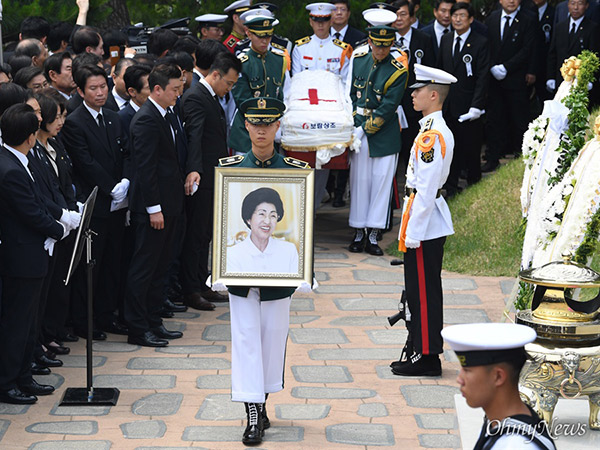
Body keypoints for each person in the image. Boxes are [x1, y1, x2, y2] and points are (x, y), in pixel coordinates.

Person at [217, 97, 309, 446]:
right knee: (245, 341)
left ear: (277, 127)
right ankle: (252, 412)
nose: (260, 130)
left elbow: (302, 230)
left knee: (272, 341)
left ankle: (263, 398)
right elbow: (222, 223)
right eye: (255, 123)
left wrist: (303, 270)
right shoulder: (231, 168)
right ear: (245, 126)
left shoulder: (295, 171)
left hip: (278, 279)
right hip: (241, 276)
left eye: (267, 124)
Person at [392, 64, 456, 377]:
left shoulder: (433, 135)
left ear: (433, 95)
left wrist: (414, 231)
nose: (413, 95)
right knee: (418, 290)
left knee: (425, 290)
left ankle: (428, 355)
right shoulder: (429, 128)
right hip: (421, 216)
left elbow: (427, 189)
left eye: (418, 90)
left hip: (425, 222)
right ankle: (420, 348)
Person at [0, 104, 66, 404]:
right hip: (21, 257)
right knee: (17, 323)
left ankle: (24, 377)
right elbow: (30, 212)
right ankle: (8, 382)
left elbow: (38, 199)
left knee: (29, 323)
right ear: (29, 137)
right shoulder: (10, 169)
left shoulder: (17, 160)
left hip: (32, 253)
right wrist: (60, 228)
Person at [61, 64, 130, 340]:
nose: (100, 93)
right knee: (92, 266)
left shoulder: (112, 116)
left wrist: (124, 182)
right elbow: (85, 162)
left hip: (117, 203)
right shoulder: (75, 122)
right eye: (93, 88)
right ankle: (84, 321)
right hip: (94, 203)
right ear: (80, 90)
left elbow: (124, 152)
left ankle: (106, 314)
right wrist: (111, 186)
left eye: (103, 87)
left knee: (113, 262)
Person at [125, 63, 188, 348]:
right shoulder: (146, 119)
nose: (179, 93)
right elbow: (146, 169)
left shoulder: (167, 113)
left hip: (172, 203)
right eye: (175, 89)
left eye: (182, 87)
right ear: (158, 89)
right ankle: (138, 328)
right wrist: (154, 209)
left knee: (161, 267)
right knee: (144, 269)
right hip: (154, 208)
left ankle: (153, 321)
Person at [180, 52, 241, 311]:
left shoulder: (212, 97)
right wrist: (194, 170)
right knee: (196, 234)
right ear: (215, 74)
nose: (229, 88)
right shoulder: (195, 97)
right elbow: (194, 136)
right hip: (200, 177)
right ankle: (191, 290)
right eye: (228, 83)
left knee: (205, 233)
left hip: (213, 173)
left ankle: (201, 282)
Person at [347, 9, 407, 256]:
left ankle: (373, 234)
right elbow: (350, 93)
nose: (380, 51)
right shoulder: (358, 58)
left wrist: (364, 130)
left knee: (381, 184)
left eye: (385, 46)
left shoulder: (398, 68)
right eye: (376, 45)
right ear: (369, 41)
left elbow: (388, 107)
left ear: (391, 44)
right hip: (358, 125)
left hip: (384, 134)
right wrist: (353, 124)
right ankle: (358, 231)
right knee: (359, 182)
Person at [442, 323, 556, 449]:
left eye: (467, 370)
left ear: (498, 377)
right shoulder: (502, 424)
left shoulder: (515, 445)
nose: (459, 379)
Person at [437, 2, 489, 194]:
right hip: (448, 106)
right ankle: (451, 188)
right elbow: (440, 72)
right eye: (455, 15)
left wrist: (476, 106)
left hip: (469, 108)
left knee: (471, 150)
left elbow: (482, 77)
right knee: (450, 150)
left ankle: (475, 187)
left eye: (462, 16)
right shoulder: (446, 39)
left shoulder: (480, 42)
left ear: (471, 19)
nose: (457, 19)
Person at [482, 0, 537, 172]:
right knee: (495, 119)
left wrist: (507, 67)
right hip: (494, 78)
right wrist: (492, 66)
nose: (511, 1)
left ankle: (523, 157)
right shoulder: (491, 18)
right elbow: (486, 45)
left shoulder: (528, 19)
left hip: (516, 77)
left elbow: (528, 48)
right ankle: (493, 158)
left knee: (519, 118)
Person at [228, 15, 289, 155]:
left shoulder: (279, 61)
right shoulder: (242, 63)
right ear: (249, 34)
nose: (264, 41)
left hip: (271, 131)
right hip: (246, 132)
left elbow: (281, 95)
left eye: (268, 36)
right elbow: (242, 100)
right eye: (260, 36)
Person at [390, 0, 436, 167]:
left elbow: (431, 70)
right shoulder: (385, 39)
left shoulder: (424, 39)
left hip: (415, 105)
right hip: (391, 105)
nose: (399, 18)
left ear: (411, 17)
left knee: (415, 152)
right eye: (395, 15)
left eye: (403, 14)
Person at [227, 188, 299, 273]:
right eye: (262, 214)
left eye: (273, 215)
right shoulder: (233, 254)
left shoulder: (289, 250)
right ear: (248, 219)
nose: (267, 221)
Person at [546, 0, 600, 94]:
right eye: (573, 3)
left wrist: (591, 80)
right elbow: (553, 53)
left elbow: (595, 56)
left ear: (586, 6)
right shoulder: (560, 26)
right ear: (568, 5)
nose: (575, 7)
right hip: (561, 79)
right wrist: (550, 77)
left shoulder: (593, 28)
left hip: (581, 82)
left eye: (580, 4)